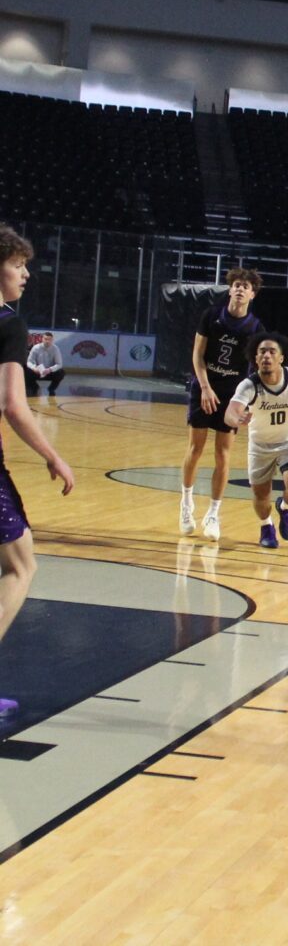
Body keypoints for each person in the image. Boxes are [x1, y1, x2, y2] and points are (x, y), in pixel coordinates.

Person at [0, 225, 75, 720]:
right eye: (18, 265)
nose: (26, 274)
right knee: (20, 566)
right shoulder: (8, 324)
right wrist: (52, 454)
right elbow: (13, 404)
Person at [180, 268, 264, 542]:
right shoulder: (211, 316)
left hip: (232, 394)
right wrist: (204, 387)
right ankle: (186, 503)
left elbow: (256, 372)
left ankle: (213, 514)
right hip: (205, 387)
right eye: (237, 285)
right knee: (195, 449)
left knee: (223, 455)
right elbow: (197, 354)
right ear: (230, 289)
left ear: (252, 295)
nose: (240, 289)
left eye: (246, 287)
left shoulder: (255, 328)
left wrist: (248, 403)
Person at [224, 333, 288, 549]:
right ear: (255, 358)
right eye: (262, 352)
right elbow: (230, 412)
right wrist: (237, 418)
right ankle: (266, 526)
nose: (266, 356)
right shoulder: (249, 386)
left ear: (281, 358)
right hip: (261, 445)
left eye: (272, 352)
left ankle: (285, 507)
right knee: (261, 495)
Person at [25, 332, 65, 396]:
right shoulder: (36, 348)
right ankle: (34, 387)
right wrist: (34, 368)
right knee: (26, 371)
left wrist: (50, 369)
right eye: (46, 339)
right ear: (42, 339)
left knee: (61, 372)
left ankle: (51, 389)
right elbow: (29, 362)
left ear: (52, 340)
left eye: (49, 339)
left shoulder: (55, 349)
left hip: (49, 373)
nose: (47, 341)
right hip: (37, 372)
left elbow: (59, 364)